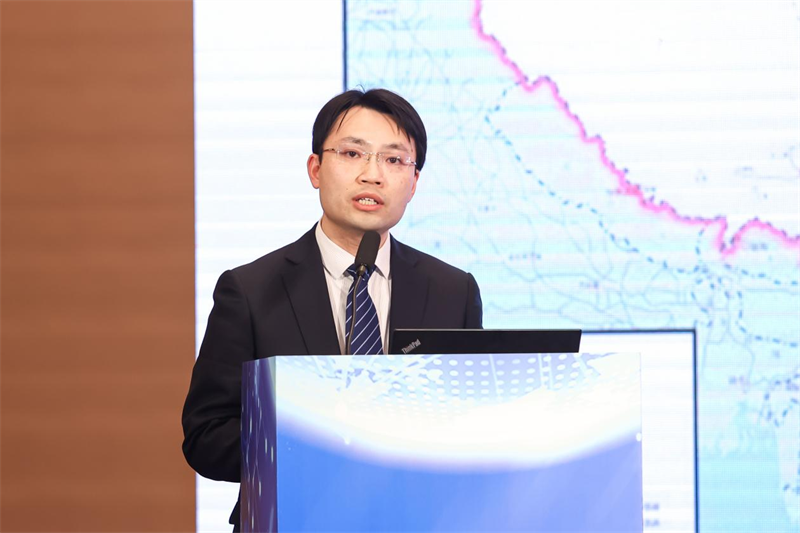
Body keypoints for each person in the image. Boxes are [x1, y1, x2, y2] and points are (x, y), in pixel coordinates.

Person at [181, 88, 483, 532]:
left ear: (414, 182)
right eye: (352, 153)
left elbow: (470, 429)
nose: (372, 175)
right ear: (316, 169)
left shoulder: (452, 292)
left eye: (394, 160)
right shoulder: (249, 291)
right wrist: (310, 445)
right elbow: (206, 436)